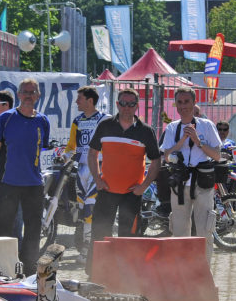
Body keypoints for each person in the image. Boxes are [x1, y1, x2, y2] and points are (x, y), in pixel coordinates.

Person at [87, 87, 161, 270]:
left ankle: (127, 275)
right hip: (106, 191)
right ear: (117, 104)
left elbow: (156, 161)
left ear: (137, 106)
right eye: (123, 103)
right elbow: (92, 153)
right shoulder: (105, 126)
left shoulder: (145, 131)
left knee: (129, 237)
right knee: (100, 234)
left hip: (132, 194)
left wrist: (143, 187)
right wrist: (97, 179)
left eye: (131, 104)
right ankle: (96, 272)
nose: (127, 107)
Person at [0, 78, 50, 274]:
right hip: (8, 183)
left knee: (33, 230)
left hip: (34, 183)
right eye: (25, 92)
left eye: (32, 92)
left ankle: (29, 271)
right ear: (18, 95)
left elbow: (42, 148)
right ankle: (2, 269)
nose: (28, 96)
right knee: (4, 228)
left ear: (38, 96)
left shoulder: (43, 121)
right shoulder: (5, 118)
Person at [160, 87, 222, 262]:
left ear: (194, 103)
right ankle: (182, 271)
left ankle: (204, 270)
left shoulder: (207, 125)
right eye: (179, 102)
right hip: (179, 185)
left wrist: (198, 141)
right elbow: (166, 155)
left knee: (204, 230)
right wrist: (182, 141)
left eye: (186, 101)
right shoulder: (172, 127)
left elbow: (217, 156)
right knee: (179, 231)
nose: (183, 106)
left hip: (202, 183)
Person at [65, 86, 109, 260]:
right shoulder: (77, 120)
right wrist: (63, 157)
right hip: (81, 168)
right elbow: (71, 146)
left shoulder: (105, 119)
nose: (76, 102)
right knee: (82, 209)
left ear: (90, 101)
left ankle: (88, 251)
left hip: (98, 167)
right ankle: (86, 247)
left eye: (80, 99)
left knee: (90, 207)